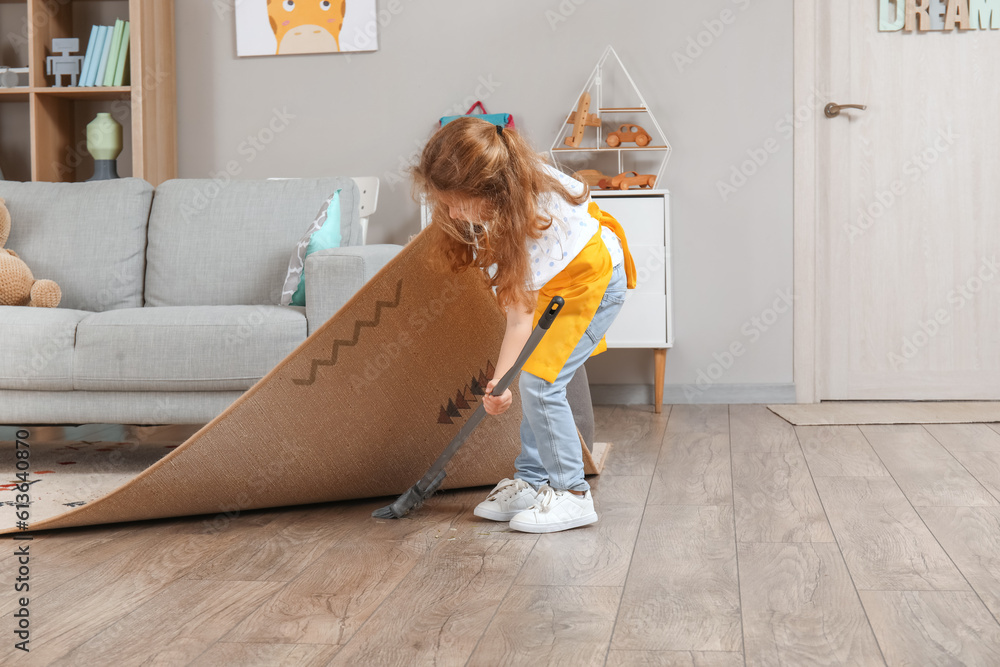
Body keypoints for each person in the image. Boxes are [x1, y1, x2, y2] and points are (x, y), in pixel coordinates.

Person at [412, 117, 636, 533]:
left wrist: (499, 385)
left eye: (459, 202)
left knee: (539, 382)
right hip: (557, 281)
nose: (453, 213)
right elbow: (521, 309)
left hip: (594, 284)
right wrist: (502, 382)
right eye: (446, 202)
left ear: (491, 190)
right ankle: (532, 483)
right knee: (534, 378)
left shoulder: (529, 221)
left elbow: (520, 317)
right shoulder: (507, 186)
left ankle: (572, 494)